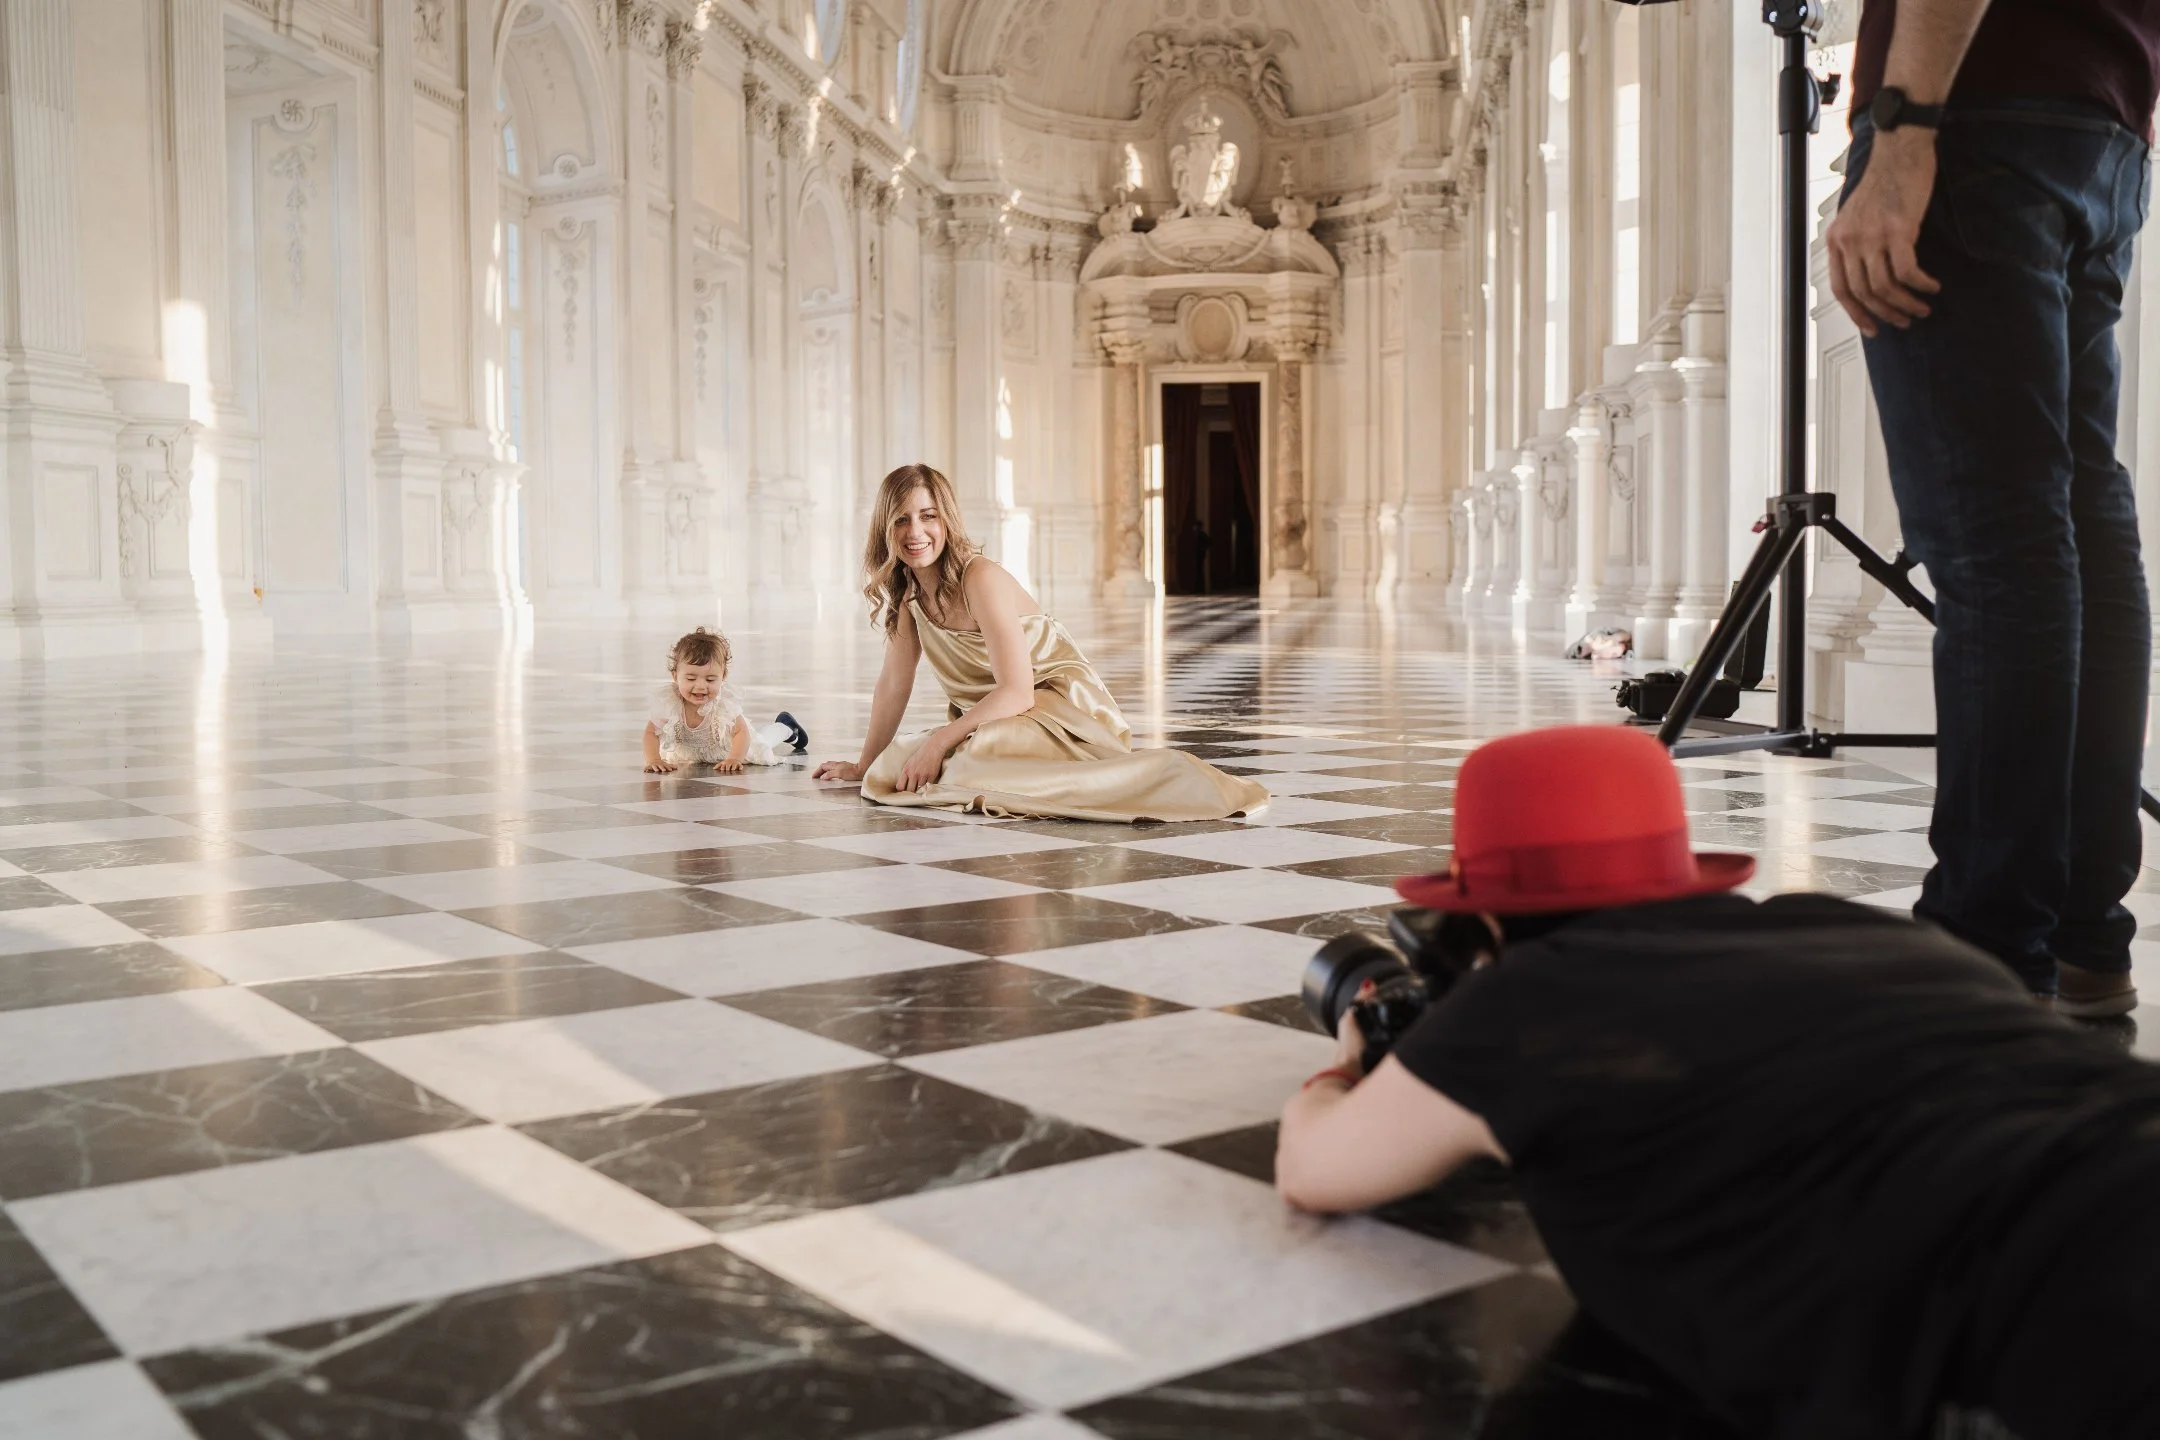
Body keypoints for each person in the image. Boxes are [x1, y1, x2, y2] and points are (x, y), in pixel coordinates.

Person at [1276, 726, 2160, 1440]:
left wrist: (1353, 1056)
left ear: (1489, 923)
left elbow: (1314, 1170)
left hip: (2055, 1295)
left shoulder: (1528, 1002)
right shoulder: (1864, 931)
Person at [1825, 0, 2160, 1014]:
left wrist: (1903, 130)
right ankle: (2081, 940)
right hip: (2104, 124)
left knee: (1998, 546)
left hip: (1979, 112)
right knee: (2078, 520)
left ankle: (1984, 953)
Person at [811, 463, 1267, 822]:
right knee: (894, 768)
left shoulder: (980, 577)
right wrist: (863, 763)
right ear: (884, 530)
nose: (916, 533)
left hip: (1055, 707)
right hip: (992, 718)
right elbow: (894, 683)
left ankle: (1166, 775)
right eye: (901, 520)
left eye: (929, 516)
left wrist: (939, 743)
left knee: (957, 762)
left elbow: (1018, 690)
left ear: (947, 521)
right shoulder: (909, 594)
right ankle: (967, 751)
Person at [642, 627, 808, 775]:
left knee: (761, 743)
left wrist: (735, 758)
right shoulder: (669, 703)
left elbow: (741, 732)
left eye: (710, 679)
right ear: (675, 676)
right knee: (759, 737)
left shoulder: (722, 703)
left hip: (731, 748)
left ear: (723, 677)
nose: (700, 686)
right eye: (691, 678)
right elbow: (651, 733)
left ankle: (786, 727)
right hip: (690, 754)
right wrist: (653, 759)